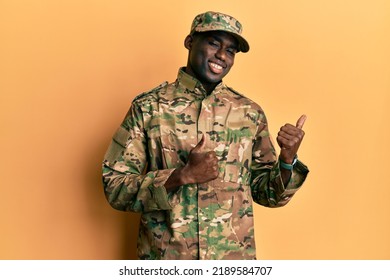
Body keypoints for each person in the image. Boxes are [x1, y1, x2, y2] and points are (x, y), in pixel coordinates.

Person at [102, 11, 309, 260]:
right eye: (213, 43)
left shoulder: (249, 113)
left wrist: (287, 161)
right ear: (190, 42)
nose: (222, 55)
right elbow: (114, 186)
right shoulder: (149, 108)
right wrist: (180, 176)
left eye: (231, 50)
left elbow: (269, 195)